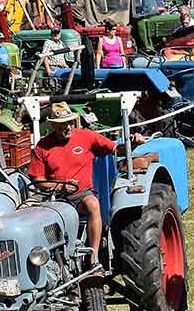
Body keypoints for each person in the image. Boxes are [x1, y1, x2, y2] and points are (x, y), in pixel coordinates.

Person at [28, 102, 146, 264]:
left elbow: (115, 150)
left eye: (70, 123)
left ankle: (94, 255)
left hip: (81, 195)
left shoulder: (86, 136)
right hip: (54, 197)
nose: (68, 127)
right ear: (53, 125)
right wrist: (60, 185)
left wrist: (132, 143)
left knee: (92, 204)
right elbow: (38, 181)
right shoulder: (42, 147)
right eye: (63, 124)